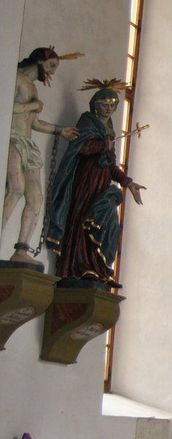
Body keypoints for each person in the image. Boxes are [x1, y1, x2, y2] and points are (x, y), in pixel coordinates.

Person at [43, 79, 145, 287]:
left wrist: (128, 183)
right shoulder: (87, 121)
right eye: (104, 105)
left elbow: (111, 166)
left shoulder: (109, 131)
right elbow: (80, 148)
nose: (108, 109)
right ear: (96, 105)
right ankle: (78, 267)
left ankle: (99, 268)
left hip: (102, 183)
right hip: (86, 182)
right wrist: (102, 145)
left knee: (109, 222)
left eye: (112, 106)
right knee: (83, 220)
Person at [6, 47, 79, 263]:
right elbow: (7, 107)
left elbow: (34, 122)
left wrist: (60, 130)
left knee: (36, 198)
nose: (52, 72)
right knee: (16, 188)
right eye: (51, 65)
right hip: (13, 139)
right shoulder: (15, 78)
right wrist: (32, 105)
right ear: (40, 61)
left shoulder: (33, 88)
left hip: (27, 144)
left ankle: (21, 250)